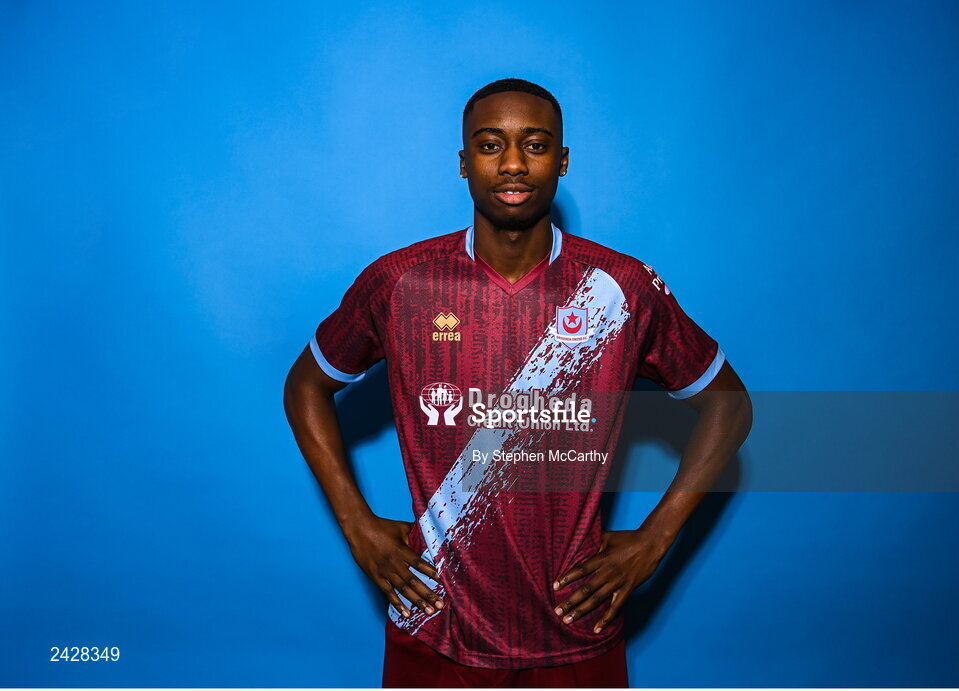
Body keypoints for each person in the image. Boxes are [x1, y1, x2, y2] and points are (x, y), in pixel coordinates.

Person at [283, 77, 753, 688]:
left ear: (561, 161)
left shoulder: (619, 289)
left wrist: (655, 540)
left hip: (576, 631)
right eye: (489, 144)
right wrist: (356, 524)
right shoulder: (402, 284)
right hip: (435, 628)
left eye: (533, 145)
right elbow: (305, 386)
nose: (511, 163)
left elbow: (729, 407)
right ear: (462, 163)